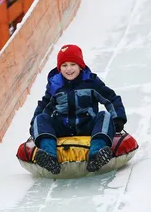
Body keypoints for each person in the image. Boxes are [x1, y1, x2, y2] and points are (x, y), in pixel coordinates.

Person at [30, 45, 127, 174]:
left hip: (87, 125)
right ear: (59, 68)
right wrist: (35, 127)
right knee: (40, 118)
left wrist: (118, 119)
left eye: (72, 64)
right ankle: (49, 157)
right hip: (63, 126)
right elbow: (44, 106)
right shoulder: (55, 85)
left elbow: (111, 98)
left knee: (104, 116)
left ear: (80, 66)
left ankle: (97, 154)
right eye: (64, 65)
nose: (69, 69)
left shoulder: (91, 82)